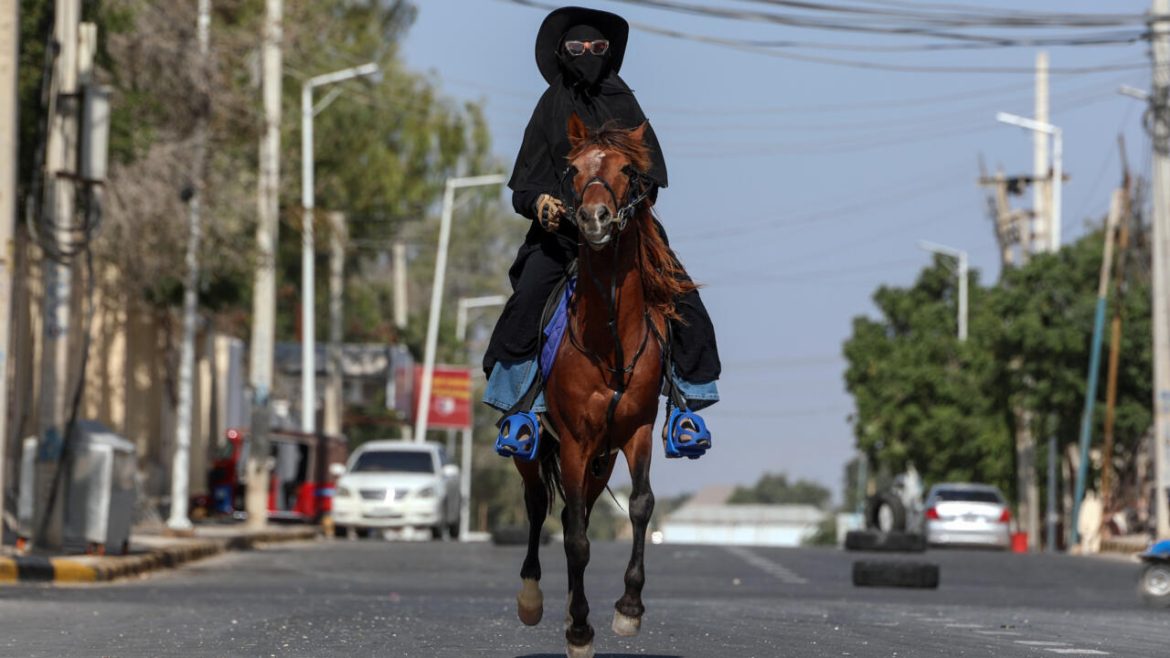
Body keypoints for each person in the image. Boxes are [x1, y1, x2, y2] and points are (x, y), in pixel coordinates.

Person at [483, 6, 721, 456]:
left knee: (683, 295)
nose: (587, 54)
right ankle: (519, 409)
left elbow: (651, 180)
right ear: (561, 53)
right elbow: (523, 186)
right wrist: (541, 204)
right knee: (528, 298)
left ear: (610, 54)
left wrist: (626, 207)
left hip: (627, 234)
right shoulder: (549, 106)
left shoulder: (626, 103)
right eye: (577, 48)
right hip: (562, 237)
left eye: (598, 48)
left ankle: (687, 405)